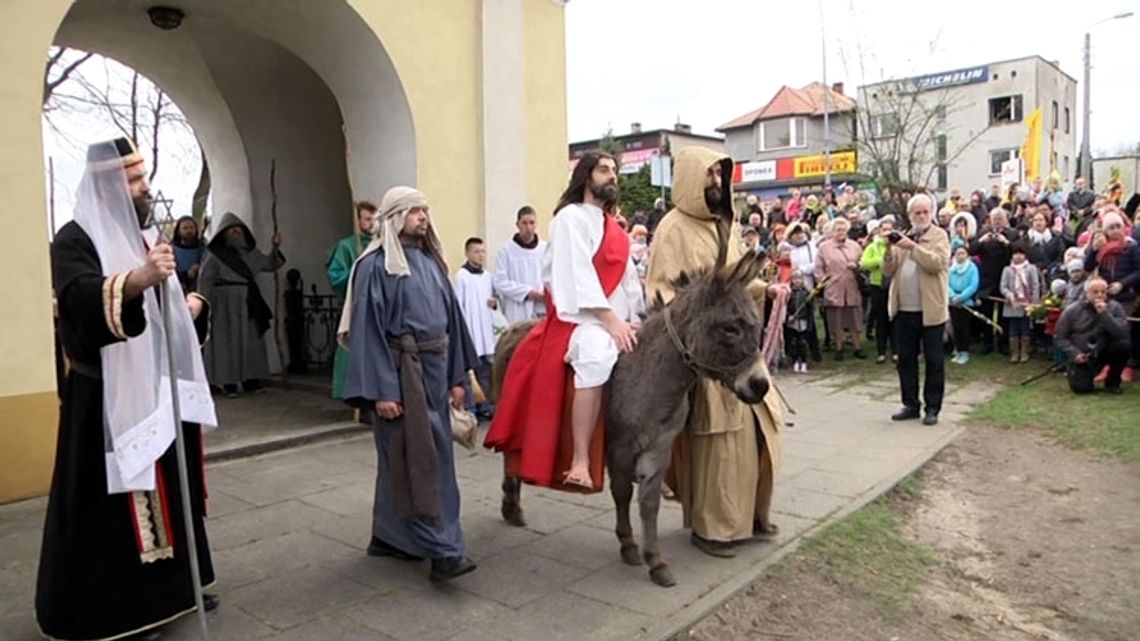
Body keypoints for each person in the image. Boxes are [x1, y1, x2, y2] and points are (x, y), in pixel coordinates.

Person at [38, 138, 219, 641]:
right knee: (112, 511)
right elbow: (77, 302)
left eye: (143, 178)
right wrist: (137, 279)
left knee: (171, 489)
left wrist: (191, 306)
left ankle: (177, 588)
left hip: (155, 392)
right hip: (103, 400)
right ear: (107, 185)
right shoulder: (74, 239)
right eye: (134, 180)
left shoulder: (142, 236)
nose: (145, 188)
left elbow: (163, 311)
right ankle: (120, 610)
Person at [645, 147, 786, 557]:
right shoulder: (672, 229)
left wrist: (764, 288)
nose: (715, 184)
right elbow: (660, 290)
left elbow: (735, 282)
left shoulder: (725, 224)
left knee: (760, 433)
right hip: (709, 355)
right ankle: (715, 529)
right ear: (690, 178)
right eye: (707, 176)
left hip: (738, 346)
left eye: (719, 176)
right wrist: (701, 316)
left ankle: (751, 516)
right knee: (719, 442)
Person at [338, 185, 479, 580]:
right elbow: (367, 331)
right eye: (414, 211)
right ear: (396, 216)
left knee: (404, 458)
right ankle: (444, 550)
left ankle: (389, 536)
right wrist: (383, 390)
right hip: (401, 378)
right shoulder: (374, 267)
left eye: (425, 210)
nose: (423, 217)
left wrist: (456, 377)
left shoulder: (432, 263)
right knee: (419, 461)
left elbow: (452, 322)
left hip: (436, 373)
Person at [486, 151, 642, 491]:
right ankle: (581, 460)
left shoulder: (613, 227)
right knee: (597, 355)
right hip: (580, 321)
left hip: (616, 319)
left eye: (615, 170)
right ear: (586, 177)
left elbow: (629, 279)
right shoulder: (569, 218)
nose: (612, 176)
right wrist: (610, 320)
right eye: (604, 170)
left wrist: (636, 318)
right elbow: (577, 276)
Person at [198, 212, 284, 397]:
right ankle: (228, 383)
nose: (236, 232)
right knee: (225, 344)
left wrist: (275, 248)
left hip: (248, 302)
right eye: (231, 230)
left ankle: (251, 381)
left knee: (250, 340)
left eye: (239, 229)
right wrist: (204, 305)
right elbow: (205, 279)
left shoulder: (250, 253)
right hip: (224, 305)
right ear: (224, 233)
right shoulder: (215, 254)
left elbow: (270, 264)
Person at [883, 193, 951, 426]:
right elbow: (888, 271)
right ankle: (910, 404)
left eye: (925, 212)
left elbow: (937, 264)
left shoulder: (940, 235)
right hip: (905, 309)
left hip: (931, 309)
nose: (921, 216)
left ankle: (933, 407)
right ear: (910, 215)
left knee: (934, 360)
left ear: (931, 213)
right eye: (916, 213)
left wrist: (912, 247)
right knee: (905, 360)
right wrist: (889, 249)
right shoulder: (905, 236)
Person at [326, 200, 378, 400]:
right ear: (358, 221)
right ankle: (356, 396)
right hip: (357, 307)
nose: (371, 223)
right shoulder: (347, 246)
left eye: (374, 219)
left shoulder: (382, 244)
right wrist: (359, 275)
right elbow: (336, 275)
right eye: (367, 219)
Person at [1054, 278, 1131, 394]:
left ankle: (1113, 382)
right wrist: (1075, 353)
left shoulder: (1115, 307)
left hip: (1106, 350)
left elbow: (1122, 332)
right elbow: (1060, 337)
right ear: (1086, 293)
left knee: (1124, 345)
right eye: (1095, 292)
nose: (1100, 295)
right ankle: (1083, 375)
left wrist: (1104, 314)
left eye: (1103, 292)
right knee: (1081, 389)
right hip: (1083, 355)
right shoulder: (1072, 310)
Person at [455, 237, 498, 419]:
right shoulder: (461, 276)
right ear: (467, 253)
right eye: (476, 251)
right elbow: (458, 305)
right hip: (470, 331)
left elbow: (495, 302)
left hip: (485, 331)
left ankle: (486, 405)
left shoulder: (488, 276)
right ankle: (471, 407)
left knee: (485, 371)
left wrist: (495, 303)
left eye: (482, 251)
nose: (480, 255)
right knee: (468, 373)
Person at [815, 217, 866, 360]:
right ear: (832, 232)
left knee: (854, 318)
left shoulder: (855, 246)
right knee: (836, 319)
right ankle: (839, 348)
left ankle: (857, 347)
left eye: (843, 230)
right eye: (838, 230)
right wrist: (824, 281)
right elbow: (818, 268)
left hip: (852, 286)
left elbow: (862, 262)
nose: (840, 232)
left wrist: (856, 266)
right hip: (834, 287)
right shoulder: (824, 247)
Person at [971, 208, 1018, 354]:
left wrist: (1006, 243)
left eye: (1000, 218)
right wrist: (980, 241)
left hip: (1004, 279)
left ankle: (1003, 343)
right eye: (994, 218)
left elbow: (1017, 252)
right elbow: (971, 251)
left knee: (1004, 315)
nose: (997, 221)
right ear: (990, 220)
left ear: (1005, 219)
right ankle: (987, 343)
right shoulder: (983, 232)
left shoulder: (1012, 233)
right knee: (987, 313)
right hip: (987, 279)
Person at [493, 205, 548, 324]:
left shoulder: (545, 249)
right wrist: (527, 292)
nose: (528, 227)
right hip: (517, 309)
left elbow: (553, 275)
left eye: (532, 223)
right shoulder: (506, 251)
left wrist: (544, 293)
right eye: (524, 223)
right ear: (517, 225)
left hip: (541, 307)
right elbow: (500, 281)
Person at [861, 217, 896, 363]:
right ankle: (881, 352)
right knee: (881, 319)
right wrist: (879, 262)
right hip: (877, 285)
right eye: (884, 229)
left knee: (894, 318)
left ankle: (896, 351)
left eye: (889, 229)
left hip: (894, 284)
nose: (886, 232)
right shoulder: (872, 247)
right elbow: (863, 264)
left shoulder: (897, 245)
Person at [786, 221, 822, 360]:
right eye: (796, 233)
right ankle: (793, 351)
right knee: (792, 317)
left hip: (807, 286)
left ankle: (814, 351)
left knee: (809, 318)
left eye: (801, 232)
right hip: (791, 287)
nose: (799, 235)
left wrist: (801, 269)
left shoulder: (810, 247)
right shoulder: (788, 248)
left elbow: (816, 264)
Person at [1001, 244, 1041, 364]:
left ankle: (1024, 352)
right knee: (1013, 329)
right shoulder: (1007, 270)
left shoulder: (1031, 268)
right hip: (1012, 304)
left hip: (1026, 303)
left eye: (1021, 254)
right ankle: (1014, 353)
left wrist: (1033, 302)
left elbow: (1035, 285)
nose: (1018, 256)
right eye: (1015, 254)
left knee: (1025, 328)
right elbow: (1003, 286)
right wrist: (1009, 295)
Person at [948, 246, 981, 364]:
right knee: (955, 328)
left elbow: (973, 285)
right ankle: (958, 350)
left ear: (967, 255)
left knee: (964, 328)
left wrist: (961, 297)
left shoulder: (972, 268)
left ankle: (965, 352)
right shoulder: (951, 269)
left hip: (966, 302)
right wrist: (952, 296)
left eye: (962, 253)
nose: (960, 256)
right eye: (958, 254)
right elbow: (946, 284)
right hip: (953, 302)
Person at [786, 270, 813, 373]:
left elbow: (809, 310)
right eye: (795, 279)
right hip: (792, 322)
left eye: (799, 279)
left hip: (803, 321)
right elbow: (786, 307)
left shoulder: (806, 293)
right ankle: (795, 361)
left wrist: (808, 322)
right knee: (793, 343)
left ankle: (804, 362)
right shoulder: (789, 293)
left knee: (802, 343)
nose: (797, 281)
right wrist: (789, 317)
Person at [171, 215, 204, 292]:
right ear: (178, 231)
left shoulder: (203, 248)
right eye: (185, 228)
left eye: (191, 228)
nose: (189, 231)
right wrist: (186, 274)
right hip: (178, 288)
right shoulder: (172, 250)